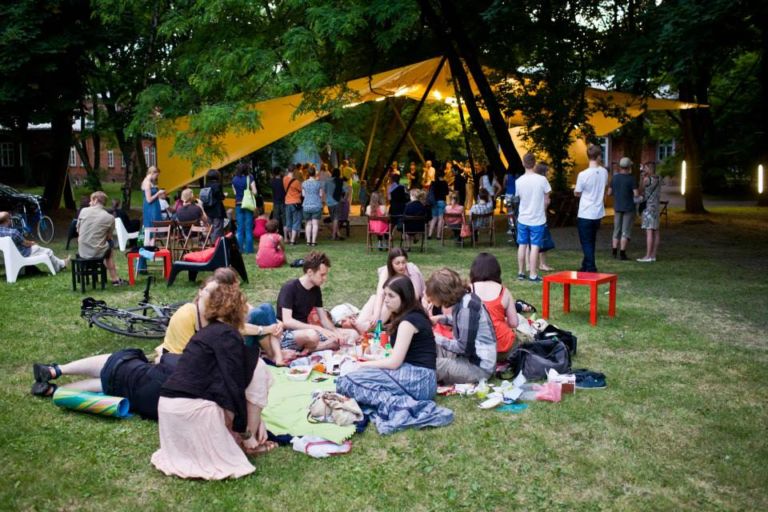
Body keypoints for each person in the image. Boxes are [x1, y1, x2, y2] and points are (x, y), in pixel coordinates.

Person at [151, 277, 276, 480]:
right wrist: (246, 433)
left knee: (252, 370)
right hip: (190, 413)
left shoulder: (205, 334)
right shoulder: (227, 337)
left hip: (168, 413)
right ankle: (248, 445)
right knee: (260, 370)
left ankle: (238, 438)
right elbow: (232, 388)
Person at [336, 275, 454, 435]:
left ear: (404, 297)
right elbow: (399, 354)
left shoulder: (408, 322)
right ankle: (393, 400)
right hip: (417, 376)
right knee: (357, 377)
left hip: (418, 379)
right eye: (385, 295)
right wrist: (370, 361)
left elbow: (394, 363)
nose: (386, 300)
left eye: (391, 296)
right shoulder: (410, 315)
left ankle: (402, 405)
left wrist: (362, 364)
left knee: (347, 382)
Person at [30, 349, 179, 420]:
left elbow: (162, 358)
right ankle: (53, 391)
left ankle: (55, 370)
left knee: (117, 361)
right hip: (136, 400)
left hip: (130, 373)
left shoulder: (187, 364)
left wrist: (162, 353)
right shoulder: (197, 395)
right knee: (104, 384)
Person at [425, 268, 497, 384]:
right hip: (470, 358)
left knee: (430, 365)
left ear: (442, 294)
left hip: (479, 367)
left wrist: (435, 337)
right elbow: (462, 323)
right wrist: (439, 319)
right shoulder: (465, 300)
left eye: (433, 297)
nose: (431, 300)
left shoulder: (466, 308)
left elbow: (463, 348)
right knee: (427, 347)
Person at [277, 251, 352, 353]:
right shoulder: (289, 287)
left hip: (308, 331)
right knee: (313, 335)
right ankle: (314, 346)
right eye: (322, 275)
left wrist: (335, 332)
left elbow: (323, 319)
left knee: (351, 334)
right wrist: (318, 329)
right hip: (288, 335)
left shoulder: (316, 289)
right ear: (310, 272)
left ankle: (311, 348)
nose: (325, 278)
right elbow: (287, 321)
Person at [355, 247, 426, 332]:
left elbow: (415, 296)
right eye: (397, 263)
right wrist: (376, 314)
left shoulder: (412, 270)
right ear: (391, 263)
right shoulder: (386, 270)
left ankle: (369, 327)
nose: (401, 266)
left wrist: (394, 298)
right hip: (392, 305)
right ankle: (359, 324)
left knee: (391, 302)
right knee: (374, 298)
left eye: (403, 262)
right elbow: (380, 293)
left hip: (408, 305)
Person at [469, 253, 518, 358]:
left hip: (476, 349)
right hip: (503, 348)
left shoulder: (469, 290)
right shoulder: (504, 291)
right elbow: (514, 323)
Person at [515, 152, 552, 282]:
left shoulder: (518, 181)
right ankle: (532, 274)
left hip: (523, 217)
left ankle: (521, 272)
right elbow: (547, 198)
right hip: (538, 218)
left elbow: (519, 197)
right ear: (534, 163)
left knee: (522, 245)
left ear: (523, 163)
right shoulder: (542, 180)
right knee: (535, 246)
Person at [77, 191, 124, 285]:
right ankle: (115, 279)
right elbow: (109, 237)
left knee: (104, 246)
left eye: (91, 200)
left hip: (82, 250)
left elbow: (78, 230)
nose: (90, 203)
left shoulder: (83, 211)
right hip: (96, 250)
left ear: (95, 200)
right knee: (110, 247)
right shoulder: (109, 217)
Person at [574, 144, 608, 272]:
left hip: (585, 212)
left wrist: (577, 192)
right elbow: (604, 187)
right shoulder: (604, 172)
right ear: (599, 156)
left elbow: (578, 192)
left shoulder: (583, 174)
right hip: (598, 212)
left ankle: (591, 266)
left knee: (585, 241)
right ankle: (585, 264)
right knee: (591, 240)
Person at [607, 157, 639, 261]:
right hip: (628, 208)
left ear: (620, 167)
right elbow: (636, 194)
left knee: (616, 230)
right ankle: (622, 253)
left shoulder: (615, 178)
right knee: (625, 231)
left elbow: (609, 193)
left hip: (617, 207)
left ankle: (614, 251)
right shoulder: (631, 179)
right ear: (629, 167)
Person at [140, 166, 165, 271]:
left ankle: (148, 257)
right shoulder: (146, 182)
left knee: (152, 234)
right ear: (153, 173)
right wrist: (158, 193)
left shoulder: (149, 182)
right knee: (150, 233)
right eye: (157, 175)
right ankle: (144, 258)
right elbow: (149, 199)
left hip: (154, 208)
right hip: (151, 210)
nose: (156, 177)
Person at [637, 162, 662, 262]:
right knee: (656, 231)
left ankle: (648, 256)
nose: (643, 169)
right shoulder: (659, 178)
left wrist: (641, 178)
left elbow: (640, 190)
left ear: (649, 169)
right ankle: (653, 255)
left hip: (648, 207)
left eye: (645, 168)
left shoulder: (647, 179)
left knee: (649, 231)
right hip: (656, 207)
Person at [231, 162, 258, 254]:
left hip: (238, 204)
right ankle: (249, 250)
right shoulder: (249, 177)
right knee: (248, 228)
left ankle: (239, 249)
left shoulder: (234, 179)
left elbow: (235, 193)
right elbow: (254, 191)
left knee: (239, 228)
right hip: (248, 205)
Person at [202, 168, 226, 242]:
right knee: (218, 228)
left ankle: (209, 243)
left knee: (211, 228)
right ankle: (216, 244)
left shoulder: (206, 185)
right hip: (217, 210)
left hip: (208, 209)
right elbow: (220, 197)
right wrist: (224, 195)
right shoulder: (217, 185)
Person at [301, 166, 324, 246]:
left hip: (306, 205)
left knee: (308, 224)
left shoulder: (304, 183)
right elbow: (321, 194)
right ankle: (313, 241)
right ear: (315, 173)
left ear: (308, 173)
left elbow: (303, 195)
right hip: (316, 205)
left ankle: (308, 241)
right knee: (315, 224)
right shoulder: (318, 183)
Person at [325, 168, 348, 241]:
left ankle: (336, 235)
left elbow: (325, 191)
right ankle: (334, 236)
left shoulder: (327, 181)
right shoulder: (341, 181)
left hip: (329, 202)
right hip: (338, 201)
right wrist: (344, 199)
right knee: (336, 219)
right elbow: (347, 191)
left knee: (333, 218)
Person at [283, 166, 303, 245]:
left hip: (287, 202)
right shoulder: (296, 182)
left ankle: (291, 238)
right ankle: (292, 240)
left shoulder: (284, 179)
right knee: (296, 221)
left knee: (289, 221)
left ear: (288, 170)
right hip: (296, 202)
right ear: (294, 171)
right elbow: (300, 191)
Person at [427, 170, 449, 239]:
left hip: (434, 202)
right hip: (442, 202)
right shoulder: (445, 183)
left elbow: (430, 193)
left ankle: (429, 235)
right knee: (440, 219)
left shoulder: (433, 183)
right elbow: (447, 193)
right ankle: (438, 236)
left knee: (434, 218)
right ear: (443, 175)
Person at [269, 167, 286, 234]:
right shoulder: (283, 181)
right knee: (285, 219)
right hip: (283, 201)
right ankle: (285, 235)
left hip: (275, 202)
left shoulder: (272, 181)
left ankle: (275, 233)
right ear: (280, 172)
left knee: (276, 219)